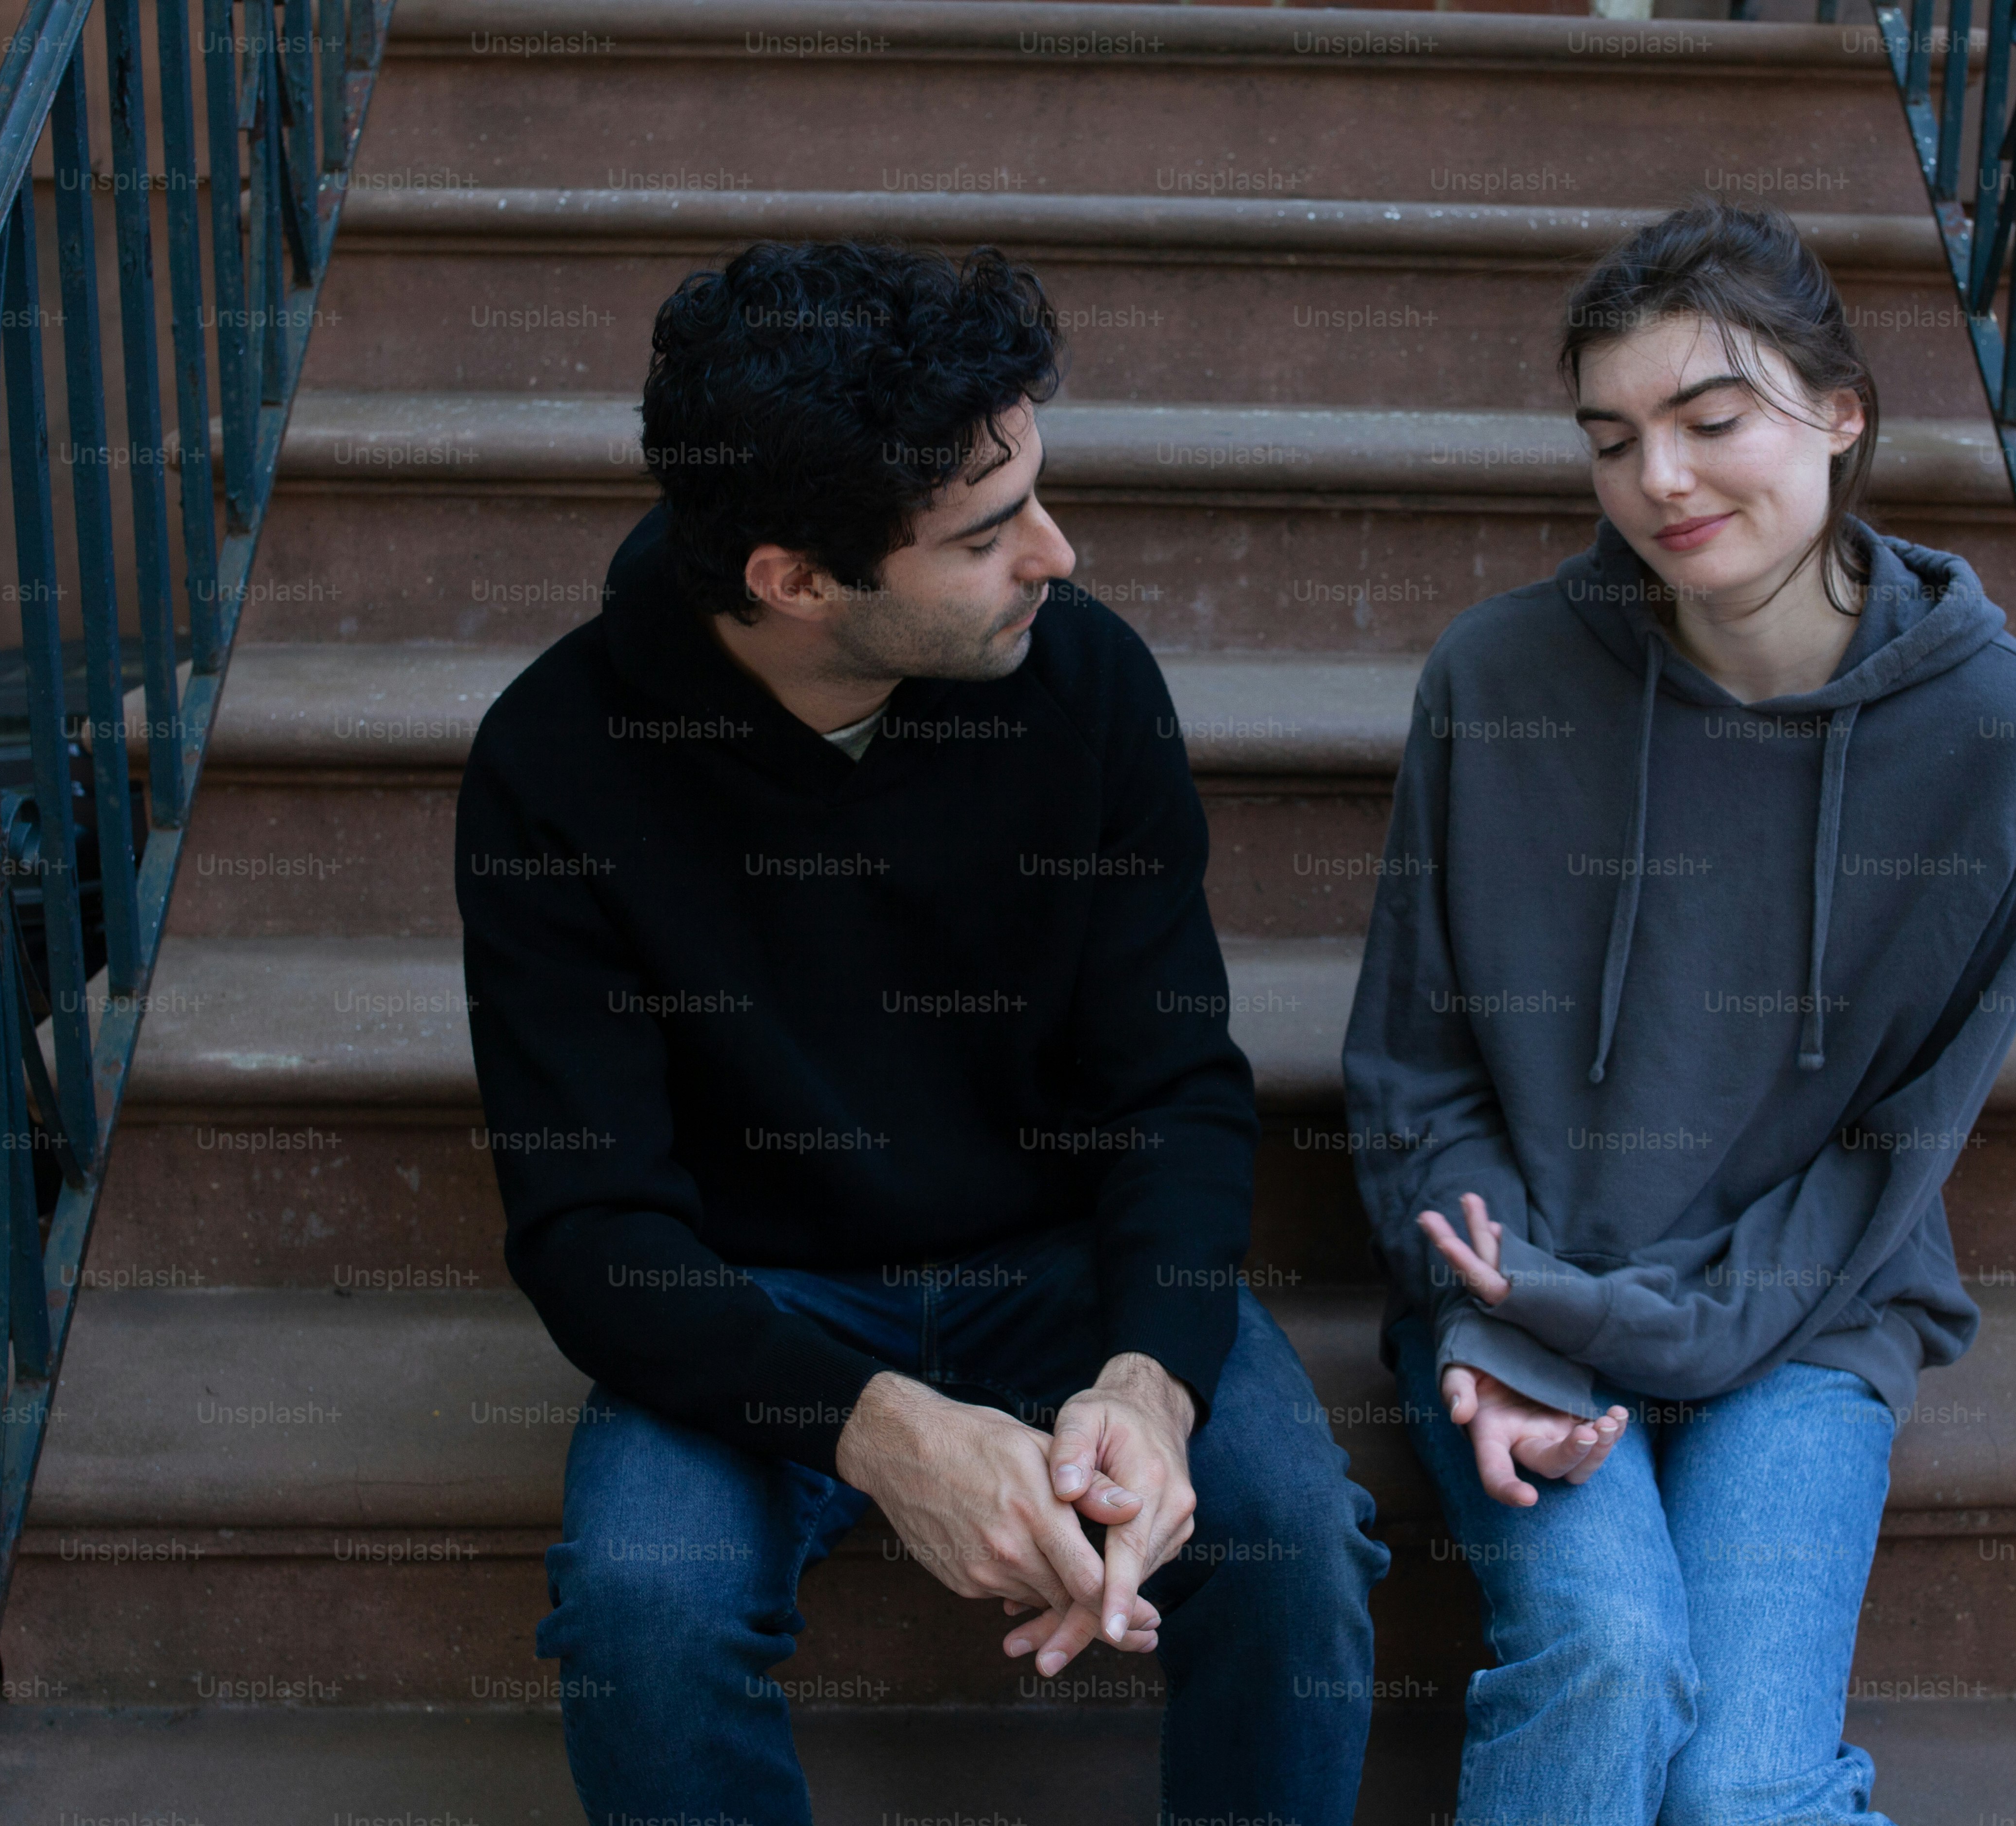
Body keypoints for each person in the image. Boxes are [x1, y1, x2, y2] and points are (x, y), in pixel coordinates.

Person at [457, 240, 1388, 1826]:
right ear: (795, 581)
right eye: (985, 532)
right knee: (642, 1615)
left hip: (1064, 1264)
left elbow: (1173, 1088)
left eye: (1034, 492)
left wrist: (1151, 1383)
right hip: (750, 1293)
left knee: (1294, 1543)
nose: (1056, 552)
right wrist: (879, 1432)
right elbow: (590, 1226)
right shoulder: (557, 763)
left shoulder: (1087, 685)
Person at [1342, 200, 2016, 1823]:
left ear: (1842, 414)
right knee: (1609, 1659)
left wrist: (1665, 1332)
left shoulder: (2013, 746)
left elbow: (1894, 1142)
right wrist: (1510, 1313)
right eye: (1612, 440)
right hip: (1528, 1281)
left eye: (1711, 420)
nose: (1660, 482)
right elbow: (1416, 1069)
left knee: (1744, 1792)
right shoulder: (1498, 682)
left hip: (1809, 1310)